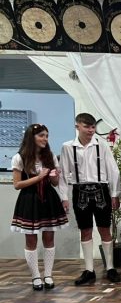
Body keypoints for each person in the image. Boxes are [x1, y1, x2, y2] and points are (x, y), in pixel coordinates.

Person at [58, 113, 121, 285]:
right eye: (86, 126)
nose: (91, 130)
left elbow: (113, 170)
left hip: (101, 190)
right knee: (85, 230)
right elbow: (63, 174)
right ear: (77, 126)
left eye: (93, 127)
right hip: (80, 191)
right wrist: (64, 197)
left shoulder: (101, 144)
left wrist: (115, 194)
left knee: (105, 229)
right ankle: (89, 270)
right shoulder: (67, 147)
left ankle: (110, 268)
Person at [11, 124, 69, 290]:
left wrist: (55, 176)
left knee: (49, 237)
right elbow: (17, 184)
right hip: (29, 199)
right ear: (32, 137)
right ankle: (36, 276)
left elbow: (54, 183)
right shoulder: (20, 157)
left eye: (47, 136)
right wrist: (39, 177)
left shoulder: (49, 156)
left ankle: (48, 275)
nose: (45, 139)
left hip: (48, 198)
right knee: (31, 239)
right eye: (41, 135)